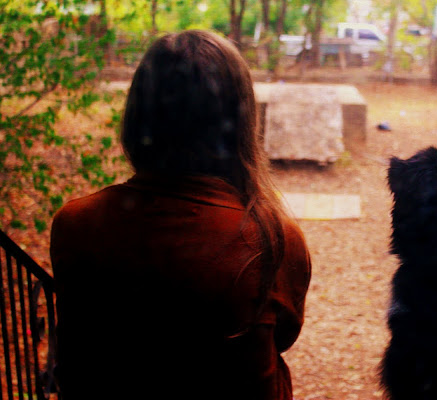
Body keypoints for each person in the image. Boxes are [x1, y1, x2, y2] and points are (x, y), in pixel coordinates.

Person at [50, 30, 311, 399]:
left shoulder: (76, 223)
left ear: (140, 115)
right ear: (239, 122)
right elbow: (283, 336)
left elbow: (77, 345)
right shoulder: (273, 237)